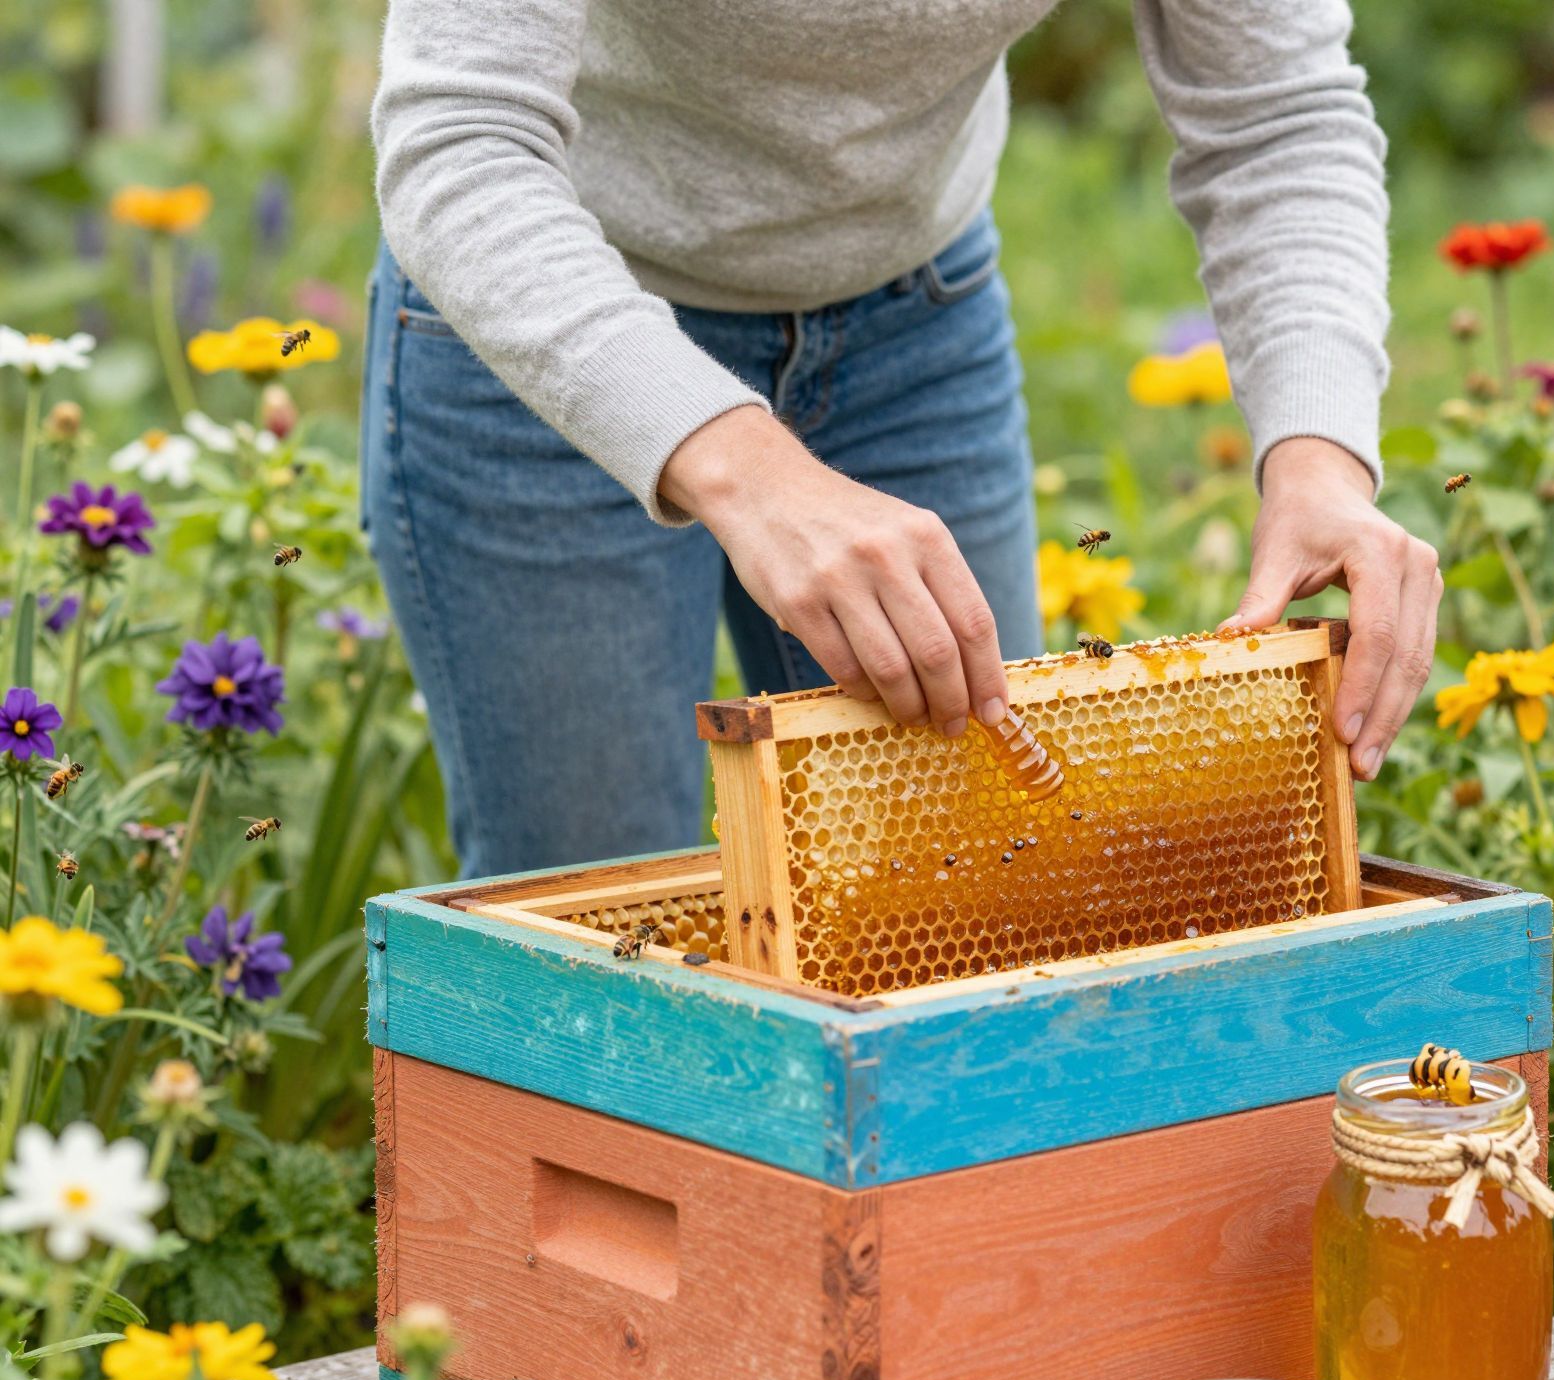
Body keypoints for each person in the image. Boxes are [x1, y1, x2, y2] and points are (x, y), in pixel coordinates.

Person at [365, 0, 1440, 878]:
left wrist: (1318, 455)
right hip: (553, 331)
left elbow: (1276, 119)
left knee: (978, 879)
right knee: (595, 944)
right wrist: (750, 472)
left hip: (907, 321)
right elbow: (462, 139)